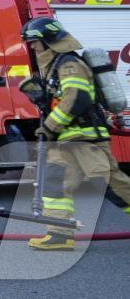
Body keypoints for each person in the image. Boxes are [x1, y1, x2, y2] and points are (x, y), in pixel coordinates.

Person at [20, 17, 130, 251]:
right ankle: (59, 235)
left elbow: (76, 98)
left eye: (34, 42)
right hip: (67, 140)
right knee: (54, 184)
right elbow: (60, 99)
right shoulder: (55, 66)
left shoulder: (69, 63)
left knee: (111, 184)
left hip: (84, 137)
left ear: (48, 40)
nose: (32, 47)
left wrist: (49, 126)